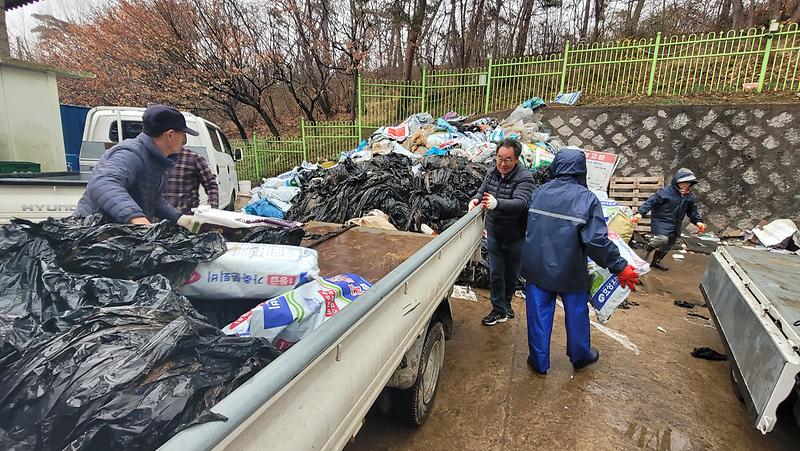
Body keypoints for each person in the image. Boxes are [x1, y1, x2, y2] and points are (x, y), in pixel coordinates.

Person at [521, 148, 639, 375]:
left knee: (538, 313)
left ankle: (538, 361)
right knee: (576, 313)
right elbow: (595, 240)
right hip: (570, 268)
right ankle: (580, 355)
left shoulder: (539, 192)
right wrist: (620, 266)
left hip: (537, 267)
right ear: (581, 170)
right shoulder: (587, 199)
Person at [75, 104, 197, 227]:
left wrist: (179, 218)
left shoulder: (156, 160)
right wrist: (137, 218)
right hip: (94, 233)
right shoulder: (131, 153)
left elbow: (151, 200)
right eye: (182, 134)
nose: (183, 140)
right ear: (169, 135)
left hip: (118, 234)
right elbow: (103, 183)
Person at [469, 139, 534, 326]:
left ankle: (506, 303)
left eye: (507, 160)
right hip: (495, 232)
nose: (502, 164)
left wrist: (498, 203)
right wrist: (474, 200)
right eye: (499, 159)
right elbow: (481, 192)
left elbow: (521, 202)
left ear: (516, 159)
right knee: (496, 272)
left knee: (512, 274)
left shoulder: (525, 177)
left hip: (515, 235)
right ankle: (498, 310)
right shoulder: (491, 173)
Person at [632, 168, 705, 271]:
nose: (685, 185)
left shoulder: (690, 197)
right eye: (683, 182)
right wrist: (640, 213)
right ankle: (648, 248)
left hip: (675, 224)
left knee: (669, 244)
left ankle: (656, 262)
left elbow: (692, 211)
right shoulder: (665, 192)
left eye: (688, 183)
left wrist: (698, 221)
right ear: (677, 181)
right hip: (661, 221)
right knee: (663, 239)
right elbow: (650, 202)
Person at [163, 146, 220, 215]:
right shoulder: (153, 157)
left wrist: (212, 211)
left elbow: (211, 186)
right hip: (156, 221)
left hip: (187, 218)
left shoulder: (193, 158)